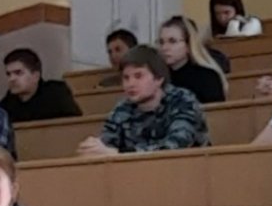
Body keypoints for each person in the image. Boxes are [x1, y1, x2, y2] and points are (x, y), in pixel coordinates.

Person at [79, 44, 209, 157]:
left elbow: (175, 147)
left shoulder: (183, 101)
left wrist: (119, 154)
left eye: (138, 76)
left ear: (159, 79)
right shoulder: (123, 109)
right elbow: (106, 143)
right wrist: (94, 148)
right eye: (126, 78)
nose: (130, 84)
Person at [157, 16, 227, 105]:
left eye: (172, 41)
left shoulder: (207, 77)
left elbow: (215, 111)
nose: (164, 48)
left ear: (188, 45)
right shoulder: (157, 78)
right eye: (161, 42)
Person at [0, 48, 81, 123]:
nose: (11, 79)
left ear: (36, 76)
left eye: (18, 73)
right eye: (8, 74)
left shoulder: (56, 93)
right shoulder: (8, 102)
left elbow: (75, 125)